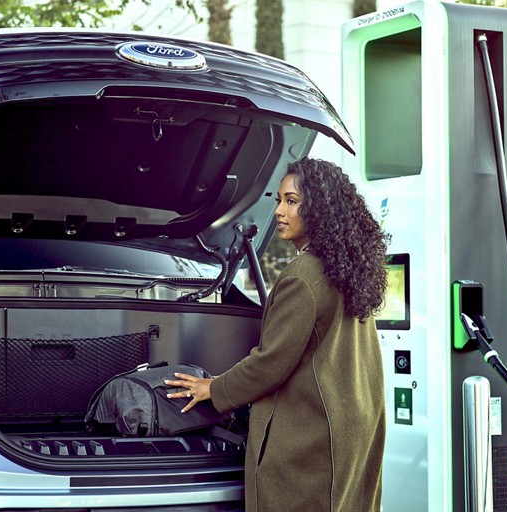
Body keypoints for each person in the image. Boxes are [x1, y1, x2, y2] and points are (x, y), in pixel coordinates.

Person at [165, 158, 388, 512]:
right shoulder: (349, 269)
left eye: (292, 201)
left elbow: (271, 362)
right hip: (352, 425)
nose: (280, 211)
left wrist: (215, 387)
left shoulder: (303, 274)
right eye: (279, 200)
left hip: (312, 433)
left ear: (319, 207)